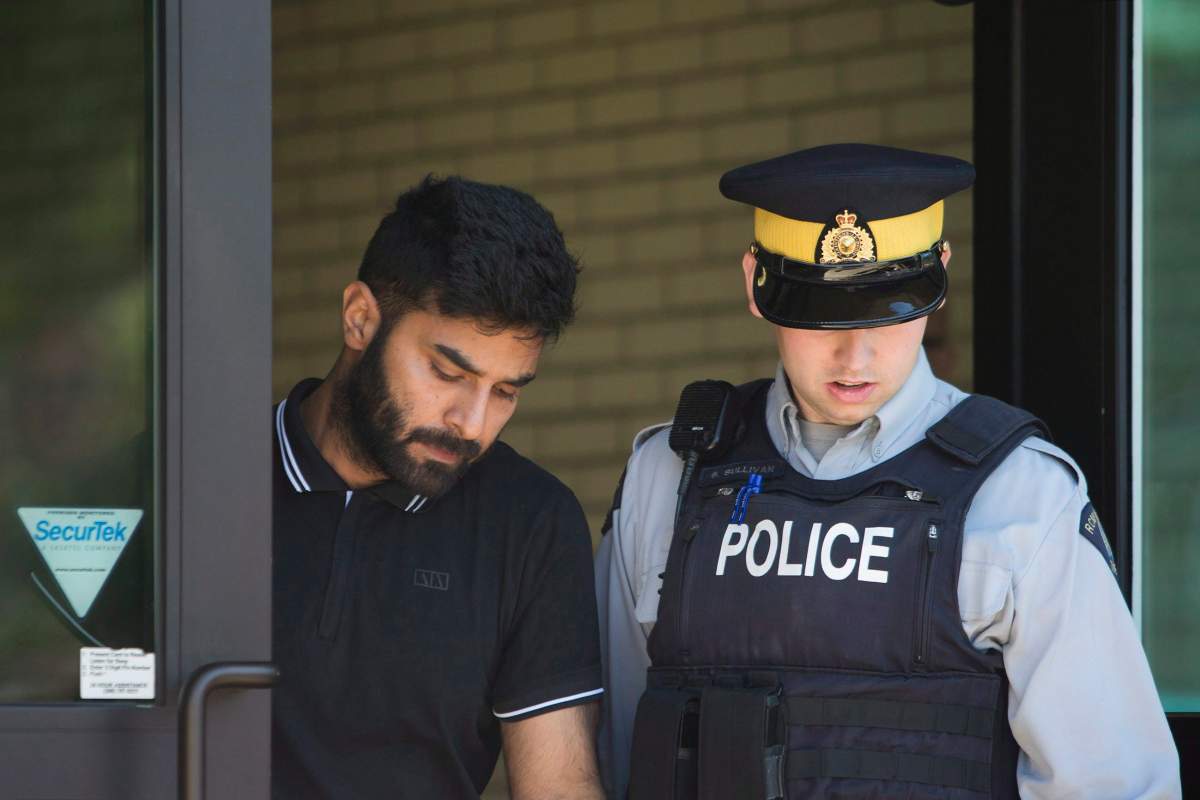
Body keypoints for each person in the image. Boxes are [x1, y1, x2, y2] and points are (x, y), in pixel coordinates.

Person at [595, 144, 1181, 799]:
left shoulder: (1022, 495)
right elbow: (607, 759)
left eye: (890, 310)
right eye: (821, 316)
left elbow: (1114, 785)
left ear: (941, 277)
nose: (857, 353)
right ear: (755, 284)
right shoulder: (667, 479)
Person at [272, 175, 605, 799]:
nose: (471, 424)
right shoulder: (198, 481)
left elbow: (559, 786)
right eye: (448, 372)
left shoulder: (530, 521)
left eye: (506, 391)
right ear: (360, 318)